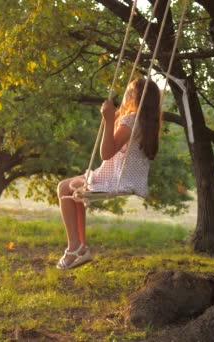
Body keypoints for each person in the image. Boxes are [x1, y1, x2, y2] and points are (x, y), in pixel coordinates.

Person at [56, 78, 162, 270]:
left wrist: (109, 120)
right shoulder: (149, 124)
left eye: (128, 91)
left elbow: (106, 153)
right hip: (129, 179)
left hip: (116, 179)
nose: (124, 95)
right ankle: (79, 247)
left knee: (65, 190)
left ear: (135, 96)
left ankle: (75, 247)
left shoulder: (131, 120)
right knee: (69, 189)